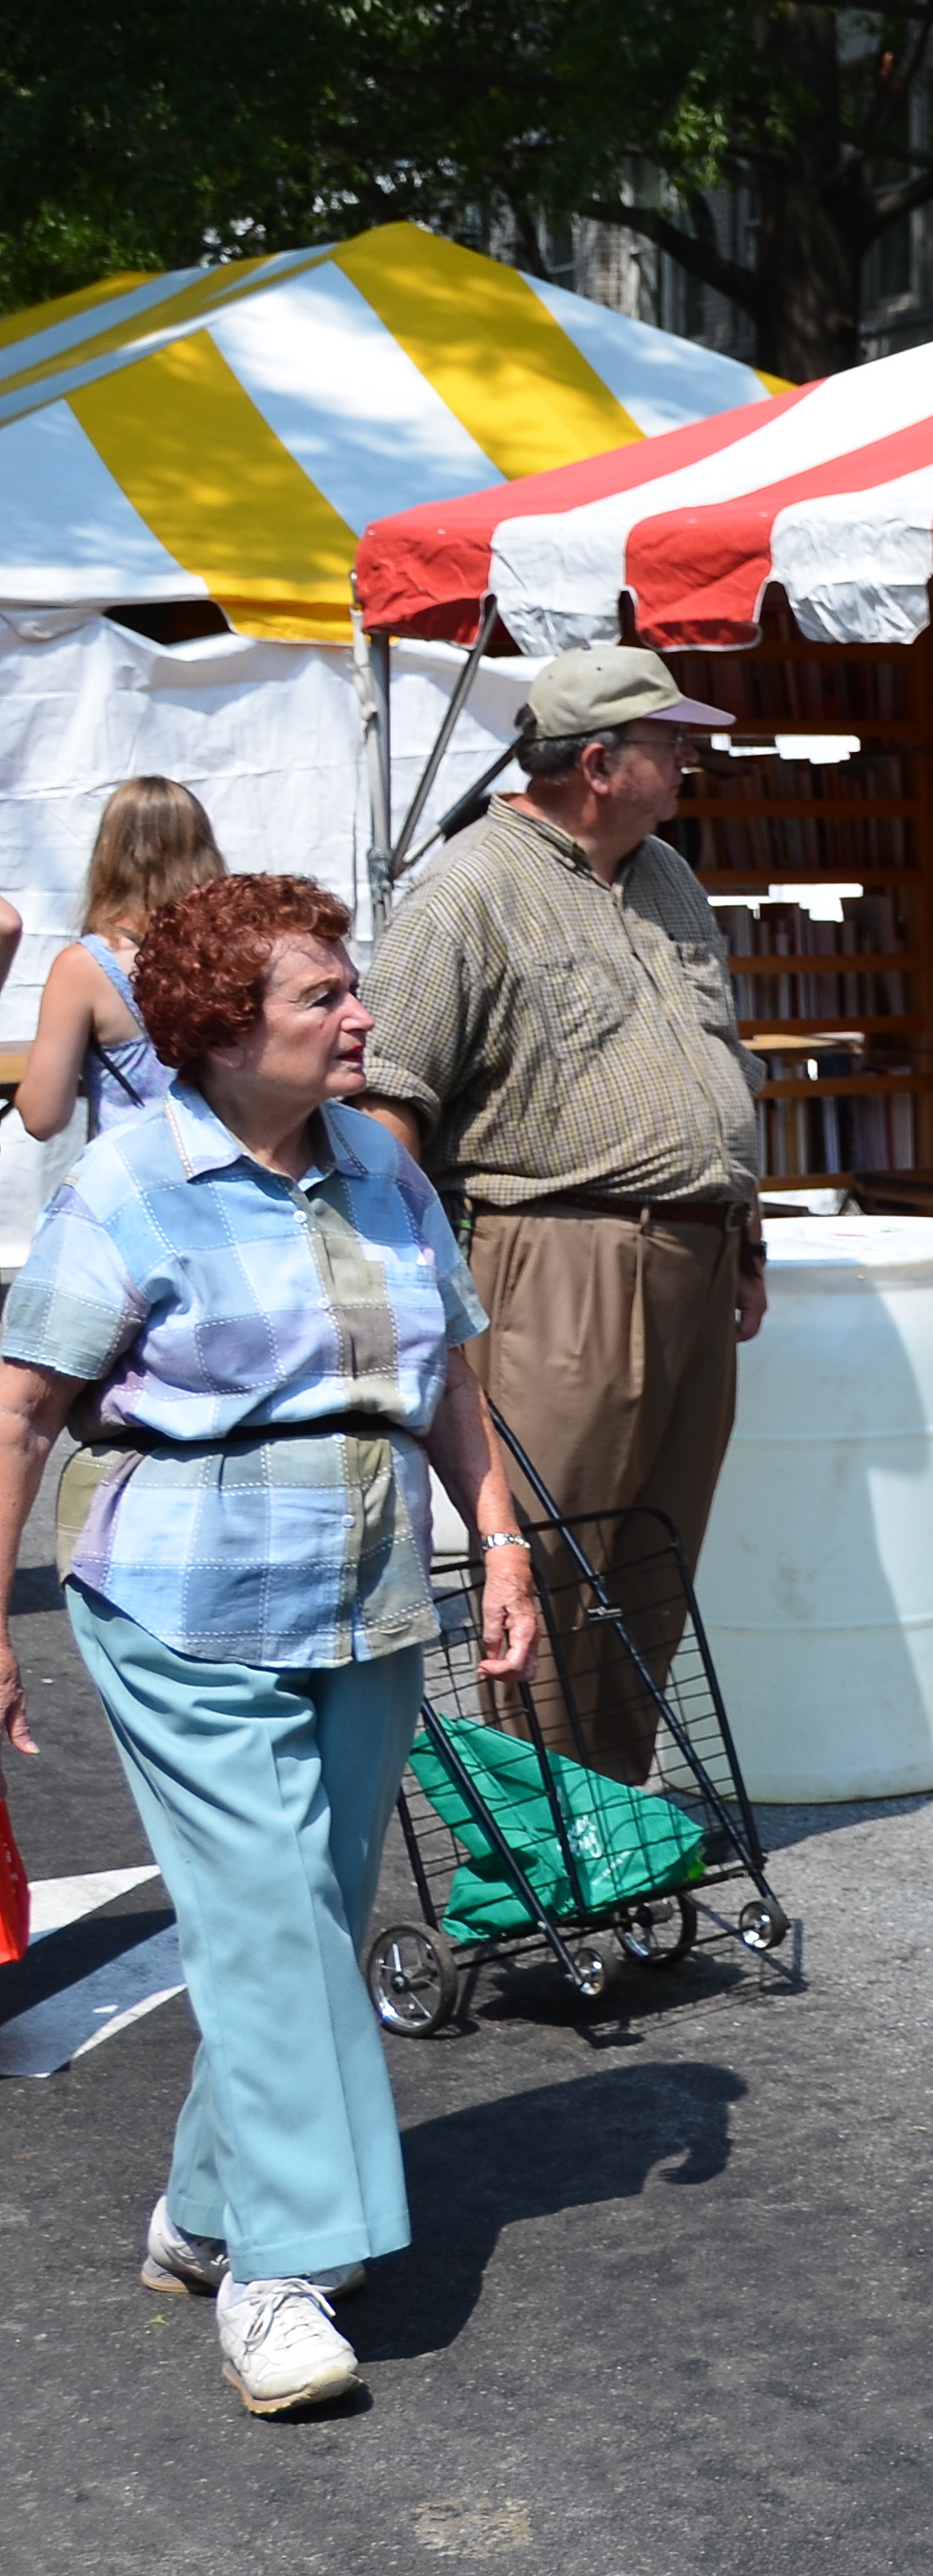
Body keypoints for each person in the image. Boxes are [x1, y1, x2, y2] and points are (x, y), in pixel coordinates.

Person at [0, 874, 540, 2414]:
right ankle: (280, 2268)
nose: (360, 1012)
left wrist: (495, 1541)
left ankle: (206, 2202)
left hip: (367, 1587)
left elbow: (448, 1376)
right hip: (180, 1595)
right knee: (267, 1909)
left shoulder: (382, 1164)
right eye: (323, 995)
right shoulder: (128, 1184)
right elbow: (24, 1409)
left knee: (304, 1898)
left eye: (348, 986)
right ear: (222, 1028)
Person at [359, 644, 762, 1781]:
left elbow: (712, 1054)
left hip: (692, 1252)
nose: (689, 759)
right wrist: (412, 1298)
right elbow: (390, 1107)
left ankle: (613, 1833)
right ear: (598, 762)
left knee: (649, 1564)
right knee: (550, 1566)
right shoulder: (467, 891)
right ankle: (535, 1858)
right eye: (669, 742)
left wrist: (746, 1236)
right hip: (561, 1261)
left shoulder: (665, 870)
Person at [17, 775, 221, 1140]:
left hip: (138, 1178)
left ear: (109, 854)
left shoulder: (88, 965)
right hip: (239, 1173)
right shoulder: (233, 951)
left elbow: (42, 1117)